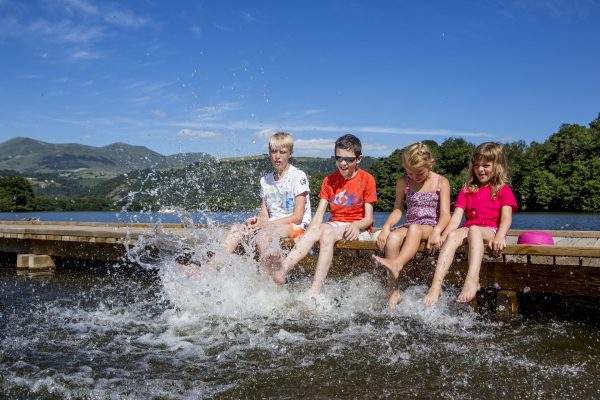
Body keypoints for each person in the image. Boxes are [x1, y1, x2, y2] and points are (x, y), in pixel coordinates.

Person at [271, 134, 377, 294]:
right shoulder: (329, 180)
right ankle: (283, 269)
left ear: (358, 159)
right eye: (339, 158)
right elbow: (319, 215)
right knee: (316, 229)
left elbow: (368, 219)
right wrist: (307, 234)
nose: (342, 163)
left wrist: (356, 225)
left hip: (357, 228)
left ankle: (315, 290)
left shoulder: (367, 179)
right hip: (335, 225)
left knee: (327, 233)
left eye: (348, 159)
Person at [424, 142, 518, 306]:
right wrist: (443, 236)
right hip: (470, 229)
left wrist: (501, 236)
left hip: (492, 230)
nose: (480, 169)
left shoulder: (503, 189)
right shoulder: (468, 189)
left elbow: (506, 218)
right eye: (477, 165)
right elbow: (456, 217)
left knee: (474, 229)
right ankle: (435, 285)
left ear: (498, 166)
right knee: (454, 235)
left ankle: (472, 279)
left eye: (486, 165)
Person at [372, 142, 451, 308]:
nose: (414, 177)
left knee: (414, 229)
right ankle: (393, 292)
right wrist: (385, 228)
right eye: (410, 172)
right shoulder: (403, 182)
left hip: (430, 225)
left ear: (431, 163)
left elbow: (445, 214)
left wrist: (437, 231)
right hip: (409, 224)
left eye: (419, 173)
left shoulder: (441, 182)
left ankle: (397, 264)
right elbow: (398, 210)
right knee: (393, 238)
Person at [224, 131, 311, 270]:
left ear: (290, 153)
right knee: (236, 229)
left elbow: (298, 216)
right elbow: (264, 215)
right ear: (269, 153)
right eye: (273, 151)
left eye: (282, 152)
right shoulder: (265, 180)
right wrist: (259, 221)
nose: (277, 156)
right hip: (272, 224)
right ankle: (210, 268)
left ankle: (272, 275)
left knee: (264, 234)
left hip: (296, 226)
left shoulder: (298, 176)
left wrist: (266, 224)